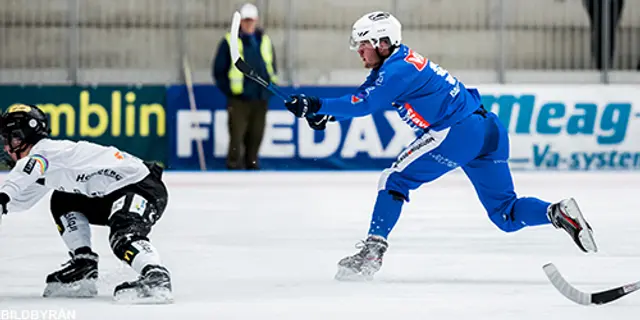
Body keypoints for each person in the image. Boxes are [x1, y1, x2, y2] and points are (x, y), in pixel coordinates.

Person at [283, 12, 598, 281]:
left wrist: (315, 103)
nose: (359, 52)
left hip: (458, 131)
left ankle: (371, 255)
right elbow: (365, 94)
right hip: (488, 130)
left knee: (394, 179)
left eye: (363, 45)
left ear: (382, 43)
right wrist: (327, 115)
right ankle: (557, 213)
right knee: (505, 215)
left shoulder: (397, 69)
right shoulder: (398, 63)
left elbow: (365, 103)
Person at [0, 104, 172, 303]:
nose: (6, 147)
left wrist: (3, 196)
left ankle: (155, 275)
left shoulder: (45, 153)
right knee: (62, 199)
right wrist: (5, 201)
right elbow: (19, 201)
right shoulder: (48, 165)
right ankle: (84, 263)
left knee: (124, 234)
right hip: (110, 193)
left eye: (11, 139)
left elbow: (26, 171)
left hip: (140, 186)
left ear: (26, 136)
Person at [213, 3, 278, 170]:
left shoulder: (264, 40)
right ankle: (234, 165)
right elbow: (219, 70)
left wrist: (271, 87)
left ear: (256, 21)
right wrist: (230, 91)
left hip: (260, 96)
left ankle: (252, 164)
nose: (248, 24)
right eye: (245, 21)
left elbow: (272, 65)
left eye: (251, 21)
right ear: (240, 22)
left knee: (256, 135)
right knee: (236, 135)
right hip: (239, 98)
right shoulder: (230, 41)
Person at [582, 0, 625, 70]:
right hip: (598, 6)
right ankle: (601, 66)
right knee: (599, 34)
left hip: (611, 6)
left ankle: (605, 66)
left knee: (607, 34)